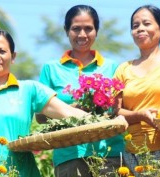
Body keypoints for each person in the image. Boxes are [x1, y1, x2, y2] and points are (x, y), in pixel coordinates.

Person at [0, 29, 90, 177]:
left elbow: (69, 113)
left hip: (23, 173)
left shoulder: (29, 90)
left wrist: (105, 121)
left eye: (2, 51)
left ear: (13, 56)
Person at [37, 5, 124, 177]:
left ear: (96, 31)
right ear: (66, 31)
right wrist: (71, 110)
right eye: (76, 29)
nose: (82, 35)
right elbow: (40, 117)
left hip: (110, 153)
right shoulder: (51, 69)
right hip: (68, 155)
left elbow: (119, 109)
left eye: (88, 29)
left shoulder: (113, 67)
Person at [114, 5, 160, 175]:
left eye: (146, 23)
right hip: (134, 155)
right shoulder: (123, 69)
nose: (140, 29)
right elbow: (116, 112)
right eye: (135, 26)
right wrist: (140, 115)